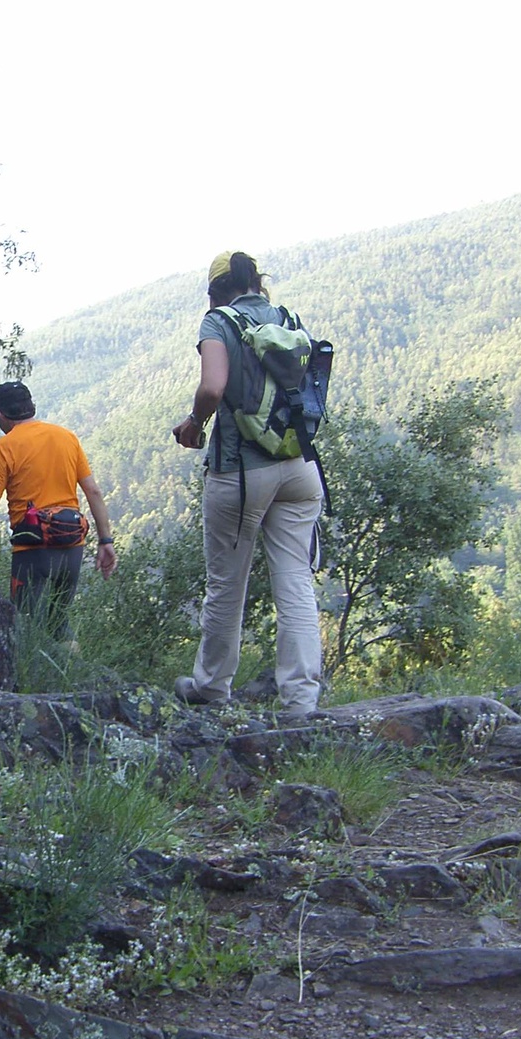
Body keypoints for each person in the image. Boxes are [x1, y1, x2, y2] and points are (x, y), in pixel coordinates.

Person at [170, 251, 326, 710]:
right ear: (258, 282)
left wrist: (195, 422)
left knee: (226, 584)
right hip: (300, 465)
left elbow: (214, 386)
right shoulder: (287, 317)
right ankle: (301, 701)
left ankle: (212, 687)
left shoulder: (219, 322)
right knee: (295, 581)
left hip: (241, 471)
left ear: (214, 290)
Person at [0, 381, 118, 640]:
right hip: (72, 546)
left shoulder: (3, 447)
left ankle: (28, 677)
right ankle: (71, 675)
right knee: (59, 623)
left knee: (25, 626)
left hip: (32, 550)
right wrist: (105, 540)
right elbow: (94, 492)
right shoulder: (67, 437)